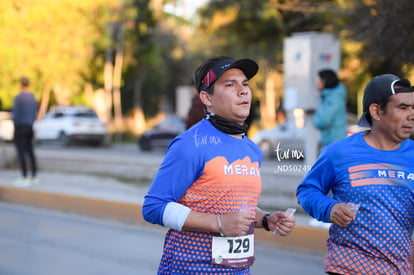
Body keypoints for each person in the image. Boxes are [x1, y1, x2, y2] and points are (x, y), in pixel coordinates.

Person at [142, 56, 295, 274]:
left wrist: (266, 219)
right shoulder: (190, 144)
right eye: (230, 85)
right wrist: (218, 223)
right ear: (207, 98)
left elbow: (234, 208)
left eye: (245, 84)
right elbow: (153, 207)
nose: (242, 91)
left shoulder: (252, 150)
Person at [296, 74, 414, 274]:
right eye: (403, 108)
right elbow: (307, 190)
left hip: (399, 268)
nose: (411, 115)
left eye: (413, 108)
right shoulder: (339, 152)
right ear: (376, 111)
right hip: (348, 266)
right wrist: (329, 208)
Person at [12, 76, 38, 186]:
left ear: (20, 85)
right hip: (30, 126)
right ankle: (34, 175)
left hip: (20, 127)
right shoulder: (32, 98)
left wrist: (15, 126)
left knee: (21, 151)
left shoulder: (18, 98)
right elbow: (34, 113)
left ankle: (24, 175)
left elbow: (16, 115)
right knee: (30, 151)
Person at [313, 69, 347, 148]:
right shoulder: (327, 96)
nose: (315, 82)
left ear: (324, 81)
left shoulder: (334, 98)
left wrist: (315, 120)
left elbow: (322, 121)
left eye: (317, 79)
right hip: (331, 142)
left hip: (335, 144)